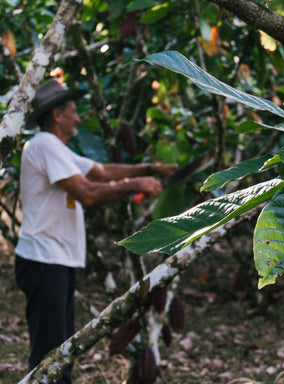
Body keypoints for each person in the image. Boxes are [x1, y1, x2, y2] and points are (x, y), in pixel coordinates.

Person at [14, 78, 178, 383]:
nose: (78, 117)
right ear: (57, 115)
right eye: (73, 111)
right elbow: (88, 193)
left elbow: (101, 171)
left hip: (55, 260)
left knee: (59, 351)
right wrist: (135, 185)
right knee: (49, 354)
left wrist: (149, 169)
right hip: (44, 260)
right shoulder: (44, 145)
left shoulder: (56, 148)